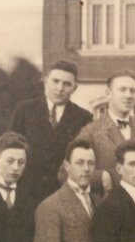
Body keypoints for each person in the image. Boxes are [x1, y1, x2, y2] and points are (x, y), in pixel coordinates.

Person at [8, 61, 93, 203]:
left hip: (64, 195)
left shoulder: (84, 118)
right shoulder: (24, 111)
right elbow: (9, 149)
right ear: (46, 82)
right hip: (26, 193)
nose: (60, 88)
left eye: (67, 84)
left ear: (75, 88)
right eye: (55, 81)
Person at [75, 71, 135, 198]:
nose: (128, 95)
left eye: (132, 91)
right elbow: (66, 171)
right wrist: (101, 177)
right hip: (107, 208)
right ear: (108, 93)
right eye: (122, 90)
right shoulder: (91, 131)